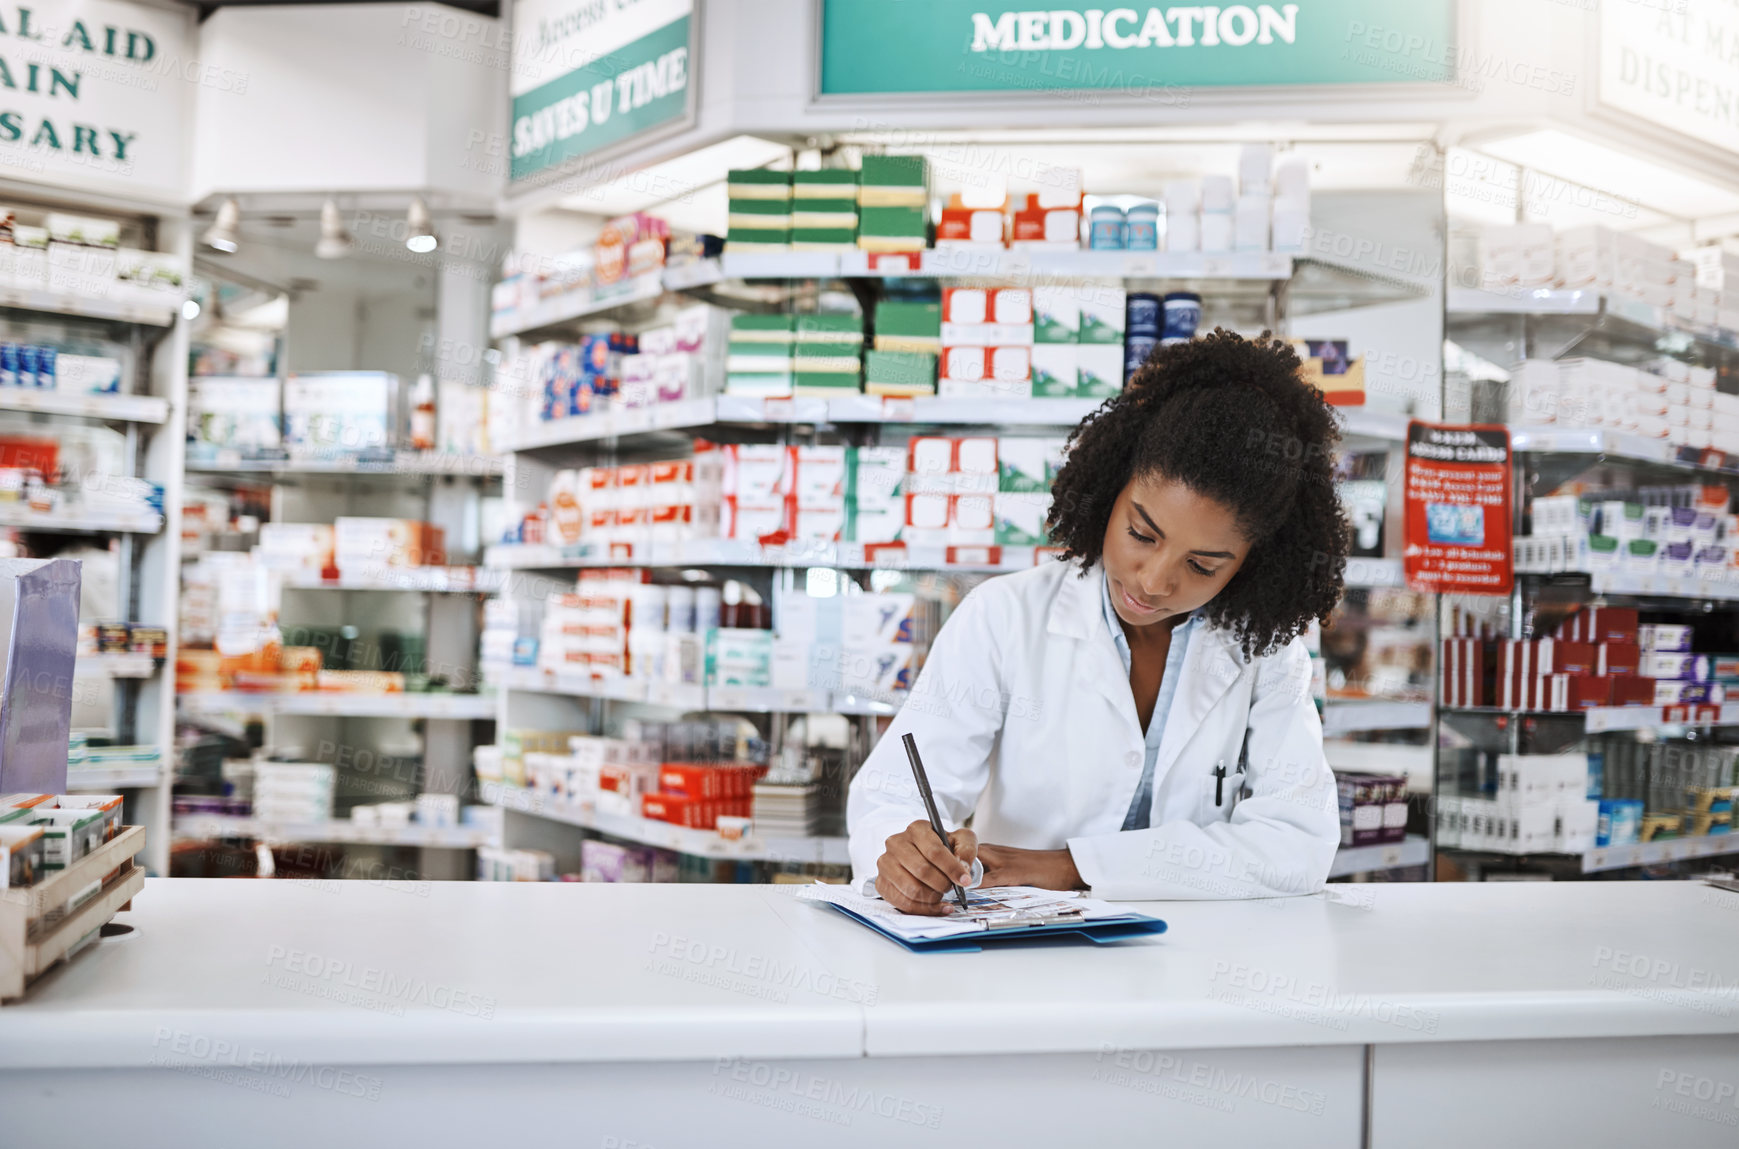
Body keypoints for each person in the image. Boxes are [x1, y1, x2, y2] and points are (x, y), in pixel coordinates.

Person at [847, 330, 1351, 913]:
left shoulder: (1267, 653)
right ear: (1110, 489)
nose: (1154, 580)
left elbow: (1297, 845)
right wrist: (905, 855)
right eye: (1142, 533)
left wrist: (1073, 868)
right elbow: (890, 797)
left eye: (1202, 565)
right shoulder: (1004, 617)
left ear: (1252, 562)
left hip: (1199, 972)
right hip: (1023, 964)